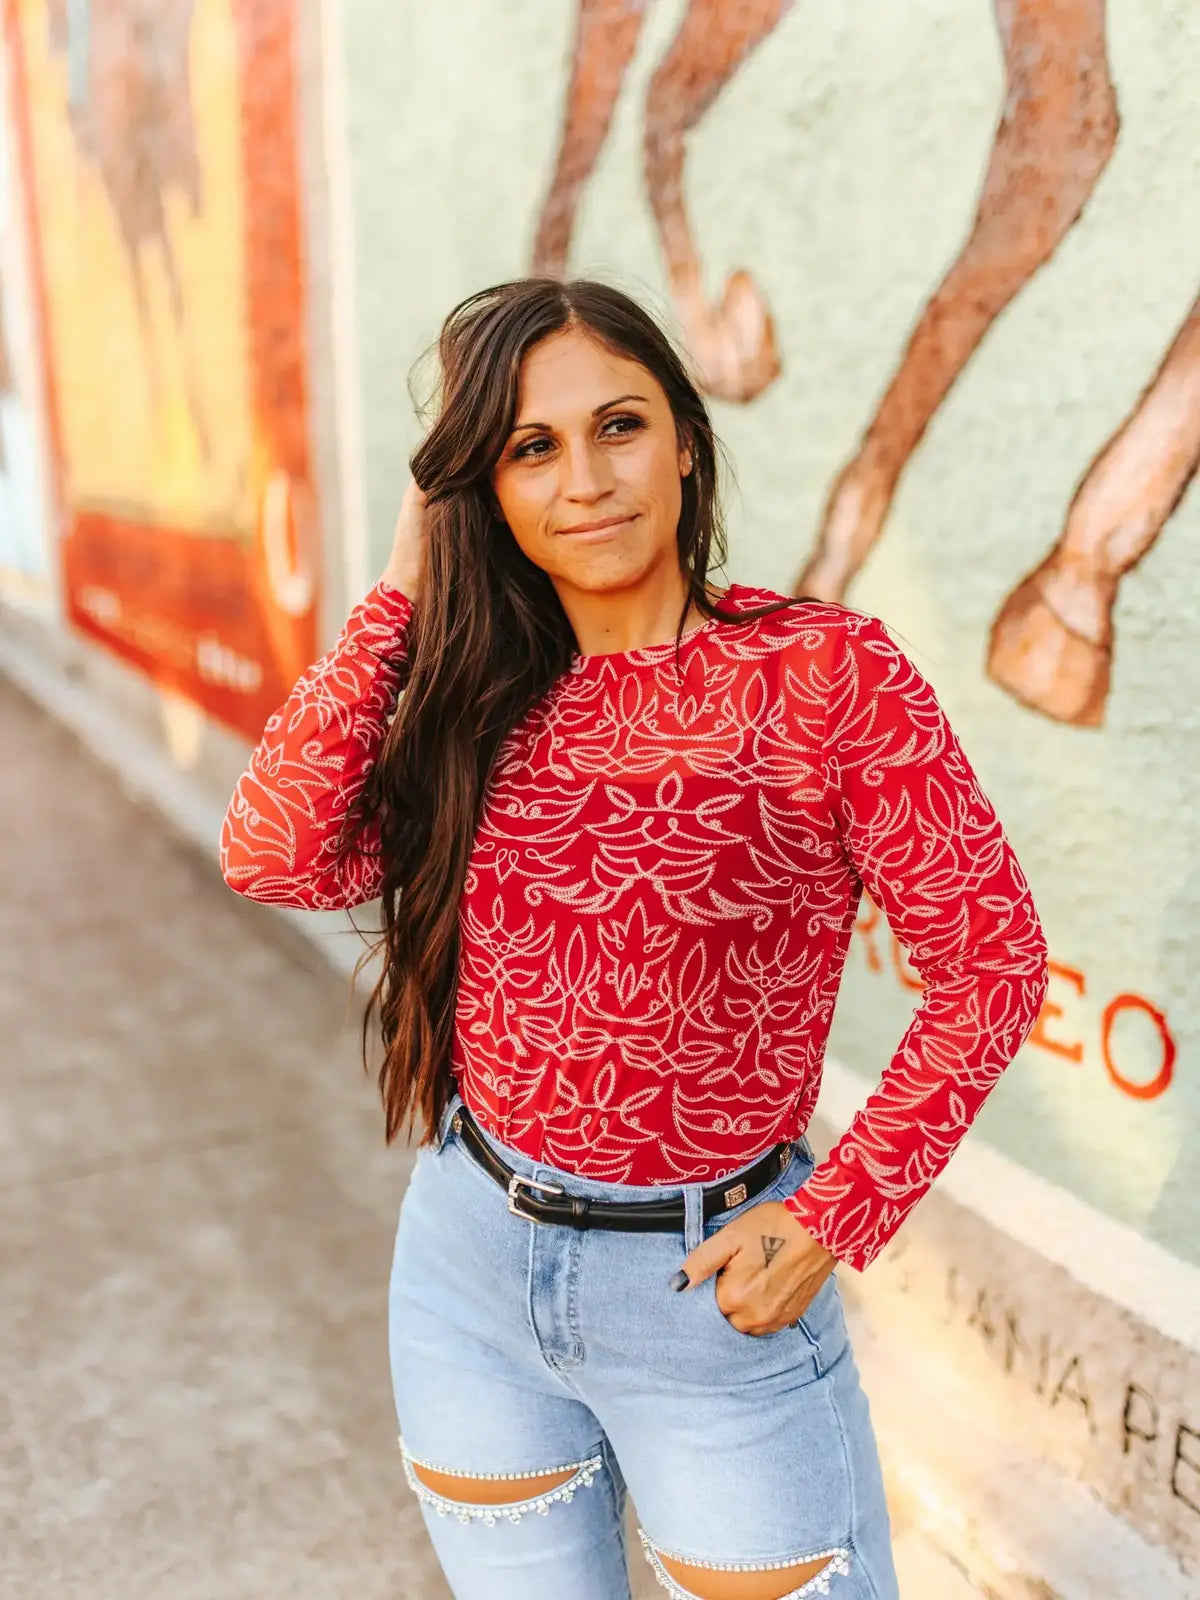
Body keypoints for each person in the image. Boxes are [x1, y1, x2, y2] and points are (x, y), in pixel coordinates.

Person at [219, 277, 1049, 1600]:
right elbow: (271, 850)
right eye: (529, 449)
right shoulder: (477, 692)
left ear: (683, 443)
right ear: (478, 494)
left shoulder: (824, 677)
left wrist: (836, 1215)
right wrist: (398, 594)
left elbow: (991, 964)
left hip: (711, 1303)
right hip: (468, 1274)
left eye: (620, 425)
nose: (587, 478)